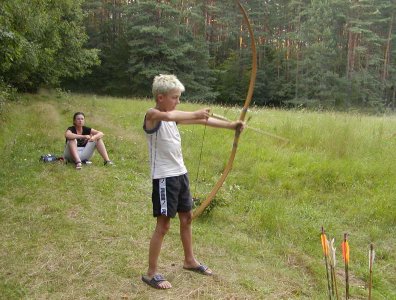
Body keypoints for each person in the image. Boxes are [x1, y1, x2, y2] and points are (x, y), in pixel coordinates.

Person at [141, 74, 245, 289]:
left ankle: (189, 260)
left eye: (178, 97)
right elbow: (174, 116)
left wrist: (232, 125)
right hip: (164, 178)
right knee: (163, 225)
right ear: (160, 97)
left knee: (186, 218)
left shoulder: (172, 116)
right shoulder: (152, 115)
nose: (177, 101)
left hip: (180, 174)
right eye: (174, 97)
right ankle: (151, 273)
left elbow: (200, 120)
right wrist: (196, 112)